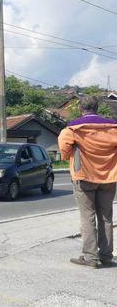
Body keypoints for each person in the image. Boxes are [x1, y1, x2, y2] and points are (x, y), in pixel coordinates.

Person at [58, 95, 117, 268]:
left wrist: (69, 157)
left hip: (83, 177)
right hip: (109, 177)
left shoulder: (73, 129)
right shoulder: (113, 127)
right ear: (97, 108)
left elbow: (64, 148)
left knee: (87, 217)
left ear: (80, 109)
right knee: (106, 217)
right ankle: (106, 256)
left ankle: (91, 257)